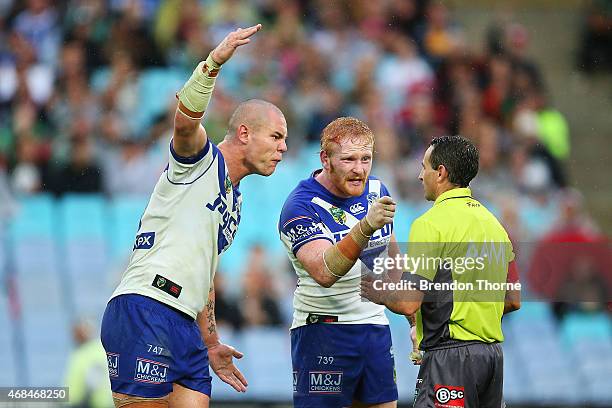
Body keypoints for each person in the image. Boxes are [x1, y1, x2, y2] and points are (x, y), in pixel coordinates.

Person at [101, 24, 288, 408]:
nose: (283, 148)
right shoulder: (201, 162)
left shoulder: (234, 202)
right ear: (244, 133)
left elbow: (204, 277)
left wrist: (211, 341)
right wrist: (213, 63)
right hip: (145, 306)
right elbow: (185, 123)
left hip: (185, 326)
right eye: (276, 137)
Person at [362, 135, 521, 408]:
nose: (420, 175)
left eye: (424, 166)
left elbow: (408, 302)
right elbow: (512, 299)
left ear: (441, 172)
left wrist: (373, 288)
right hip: (493, 359)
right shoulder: (494, 224)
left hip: (451, 359)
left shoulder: (431, 223)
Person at [279, 117, 399, 408]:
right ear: (326, 159)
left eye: (366, 159)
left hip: (374, 327)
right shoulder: (300, 206)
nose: (359, 170)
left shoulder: (377, 191)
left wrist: (411, 319)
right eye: (348, 159)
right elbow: (324, 271)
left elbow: (390, 254)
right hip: (323, 332)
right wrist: (364, 227)